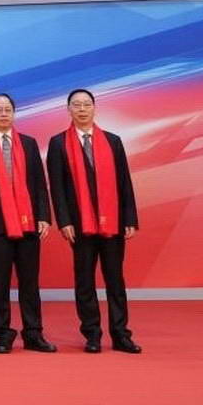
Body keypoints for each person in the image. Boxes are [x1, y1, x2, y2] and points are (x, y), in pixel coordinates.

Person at [46, 88, 141, 354]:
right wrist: (64, 221)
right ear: (69, 109)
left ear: (94, 108)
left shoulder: (113, 141)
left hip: (113, 223)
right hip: (80, 224)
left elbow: (124, 182)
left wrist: (130, 217)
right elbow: (57, 187)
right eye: (76, 105)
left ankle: (121, 335)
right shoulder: (58, 143)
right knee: (85, 281)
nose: (82, 109)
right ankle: (92, 334)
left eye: (86, 104)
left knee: (115, 280)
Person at [0, 94, 56, 353]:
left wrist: (43, 216)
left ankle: (33, 333)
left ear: (14, 113)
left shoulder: (28, 143)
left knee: (30, 282)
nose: (3, 114)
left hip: (28, 224)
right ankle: (2, 333)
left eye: (7, 110)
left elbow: (39, 183)